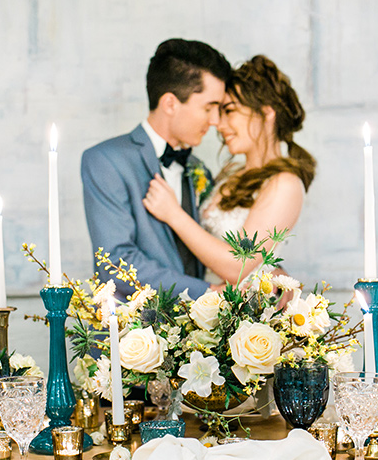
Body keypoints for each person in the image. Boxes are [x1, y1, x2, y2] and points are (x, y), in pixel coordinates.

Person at [142, 55, 315, 285]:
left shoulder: (285, 184)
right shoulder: (231, 175)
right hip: (209, 305)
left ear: (267, 112)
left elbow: (238, 266)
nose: (219, 125)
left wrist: (174, 214)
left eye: (230, 111)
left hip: (244, 315)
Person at [81, 38, 231, 299]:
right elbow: (115, 262)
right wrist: (205, 293)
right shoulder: (105, 161)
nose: (216, 121)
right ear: (170, 103)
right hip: (132, 333)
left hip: (200, 336)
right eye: (209, 107)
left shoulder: (199, 170)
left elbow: (221, 240)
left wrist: (270, 273)